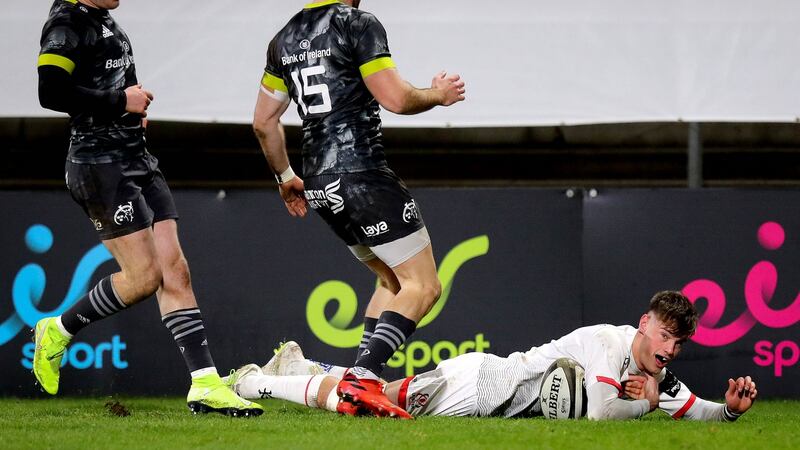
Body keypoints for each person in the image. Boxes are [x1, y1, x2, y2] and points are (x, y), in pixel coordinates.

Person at [34, 0, 261, 417]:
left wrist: (132, 108)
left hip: (137, 159)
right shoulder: (65, 23)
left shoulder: (102, 19)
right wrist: (120, 100)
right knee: (143, 277)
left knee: (176, 269)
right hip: (99, 167)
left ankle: (205, 384)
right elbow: (50, 91)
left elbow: (114, 81)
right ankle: (58, 329)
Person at [252, 0, 465, 418]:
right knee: (423, 286)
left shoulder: (284, 39)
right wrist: (438, 95)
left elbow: (263, 122)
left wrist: (284, 178)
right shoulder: (357, 24)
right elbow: (396, 99)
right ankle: (362, 379)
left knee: (390, 282)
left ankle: (363, 379)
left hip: (318, 183)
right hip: (360, 173)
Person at [225, 291, 758, 420]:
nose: (668, 350)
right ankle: (254, 383)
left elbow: (698, 410)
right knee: (362, 404)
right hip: (485, 384)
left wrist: (729, 408)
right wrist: (642, 404)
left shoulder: (654, 372)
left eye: (678, 343)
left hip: (491, 392)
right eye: (664, 335)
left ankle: (297, 365)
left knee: (375, 395)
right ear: (645, 324)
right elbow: (596, 412)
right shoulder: (609, 343)